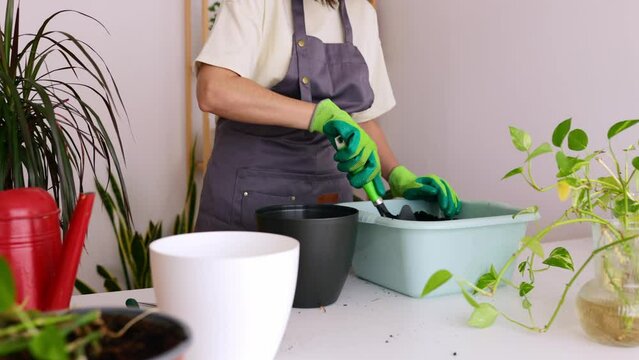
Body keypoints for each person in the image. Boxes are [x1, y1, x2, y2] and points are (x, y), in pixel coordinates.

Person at [194, 0, 461, 231]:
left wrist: (396, 174)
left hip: (327, 204)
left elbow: (362, 120)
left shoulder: (362, 14)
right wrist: (317, 115)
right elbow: (214, 89)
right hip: (248, 201)